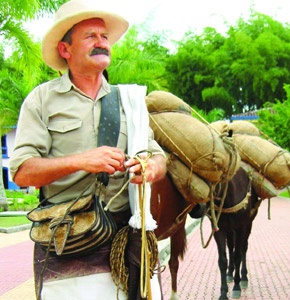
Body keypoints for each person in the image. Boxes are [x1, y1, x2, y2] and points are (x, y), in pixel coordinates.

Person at [9, 0, 167, 299]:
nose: (101, 42)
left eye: (104, 36)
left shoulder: (129, 102)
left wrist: (150, 168)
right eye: (90, 36)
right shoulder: (42, 100)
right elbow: (22, 172)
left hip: (125, 240)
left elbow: (157, 157)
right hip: (66, 237)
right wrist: (81, 161)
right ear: (65, 50)